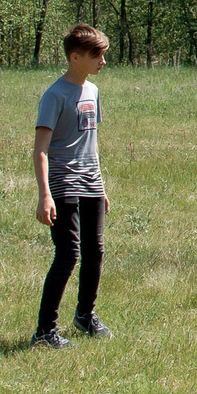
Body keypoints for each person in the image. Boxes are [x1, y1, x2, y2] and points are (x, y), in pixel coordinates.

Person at [32, 24, 114, 348]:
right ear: (75, 57)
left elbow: (91, 143)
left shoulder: (93, 92)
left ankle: (85, 315)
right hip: (63, 182)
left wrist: (101, 185)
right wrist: (44, 195)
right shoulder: (54, 96)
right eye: (97, 55)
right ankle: (44, 332)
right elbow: (40, 148)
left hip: (90, 182)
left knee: (95, 251)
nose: (103, 62)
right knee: (68, 255)